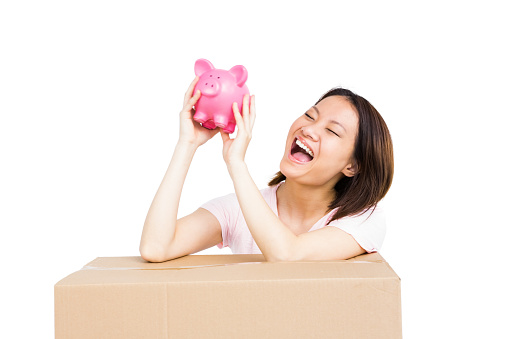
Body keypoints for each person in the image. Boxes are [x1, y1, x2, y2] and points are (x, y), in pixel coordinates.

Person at [139, 76, 393, 262]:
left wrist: (237, 165)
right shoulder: (238, 209)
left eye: (332, 130)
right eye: (310, 116)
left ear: (352, 166)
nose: (309, 129)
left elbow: (288, 256)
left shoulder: (364, 220)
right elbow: (156, 247)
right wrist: (187, 144)